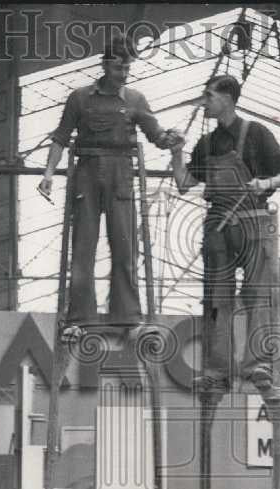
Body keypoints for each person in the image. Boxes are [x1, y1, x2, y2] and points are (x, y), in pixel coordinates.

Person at [38, 33, 182, 342]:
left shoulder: (135, 100)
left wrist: (171, 140)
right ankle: (79, 319)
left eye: (128, 70)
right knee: (83, 249)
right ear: (105, 65)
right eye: (118, 69)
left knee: (125, 246)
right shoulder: (79, 98)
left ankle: (128, 317)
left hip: (121, 175)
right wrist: (48, 174)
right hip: (87, 173)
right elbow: (61, 137)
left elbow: (155, 134)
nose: (123, 75)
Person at [169, 75, 280, 395]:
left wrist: (265, 184)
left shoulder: (256, 133)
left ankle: (258, 365)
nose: (205, 101)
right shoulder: (206, 144)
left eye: (209, 95)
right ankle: (217, 370)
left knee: (259, 296)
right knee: (217, 301)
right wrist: (176, 153)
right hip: (218, 227)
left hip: (254, 223)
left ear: (228, 98)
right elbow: (185, 184)